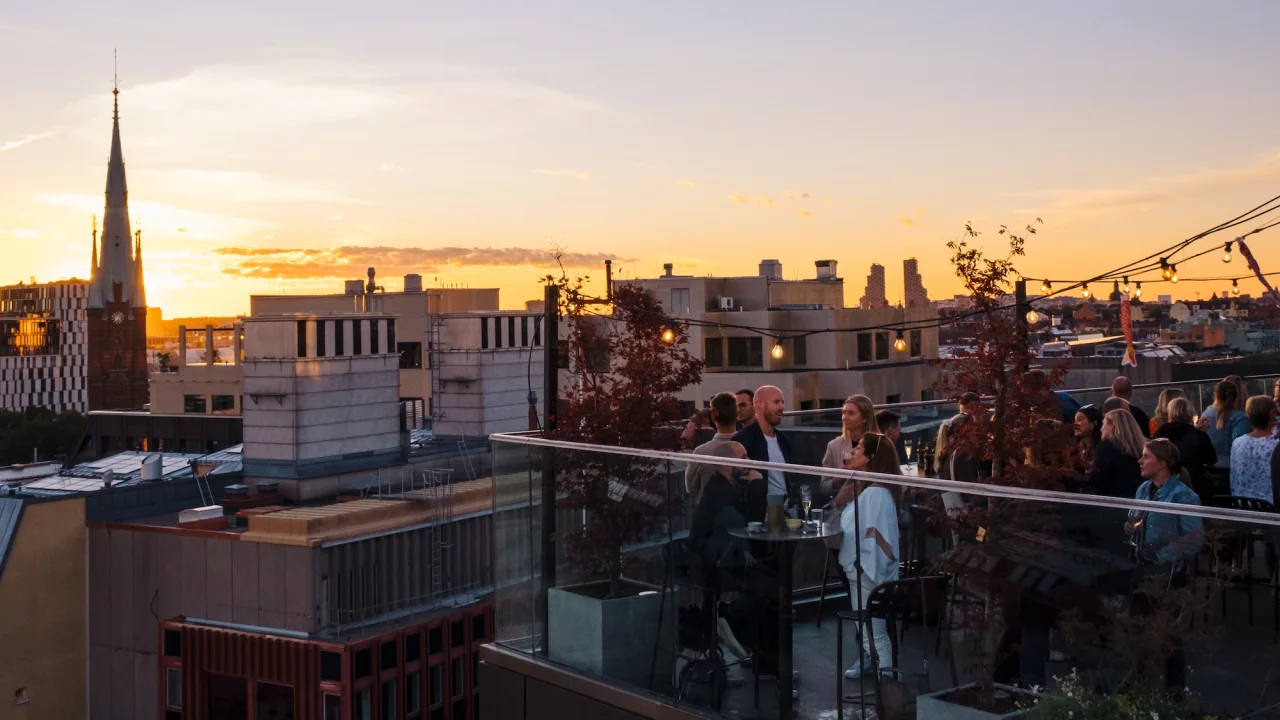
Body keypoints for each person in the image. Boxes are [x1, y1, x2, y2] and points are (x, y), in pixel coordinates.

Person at [1125, 438, 1203, 690]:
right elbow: (1134, 522)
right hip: (1141, 568)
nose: (1140, 460)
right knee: (1137, 630)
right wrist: (1130, 529)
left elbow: (1194, 540)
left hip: (1168, 574)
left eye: (1145, 456)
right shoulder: (1143, 490)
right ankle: (1140, 686)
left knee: (1168, 634)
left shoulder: (1184, 496)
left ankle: (1173, 693)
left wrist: (1161, 555)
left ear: (1161, 463)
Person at [832, 432, 902, 679]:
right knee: (872, 631)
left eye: (859, 448)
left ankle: (890, 687)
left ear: (871, 457)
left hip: (867, 572)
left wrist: (858, 567)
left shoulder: (874, 494)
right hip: (866, 570)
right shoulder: (873, 491)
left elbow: (859, 532)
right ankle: (887, 686)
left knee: (874, 631)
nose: (853, 451)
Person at [732, 385, 791, 519]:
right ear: (759, 405)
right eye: (776, 402)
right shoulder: (742, 440)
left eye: (782, 402)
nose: (781, 407)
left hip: (786, 513)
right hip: (758, 518)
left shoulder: (783, 440)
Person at [686, 392, 753, 500]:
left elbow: (691, 489)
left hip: (710, 513)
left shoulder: (701, 453)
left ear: (713, 415)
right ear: (737, 414)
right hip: (745, 513)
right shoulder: (752, 445)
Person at [1154, 397, 1217, 502]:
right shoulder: (1198, 435)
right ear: (1190, 414)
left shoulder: (1161, 432)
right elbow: (1211, 459)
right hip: (1195, 486)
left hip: (1165, 484)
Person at [820, 394, 878, 497]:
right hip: (843, 507)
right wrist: (840, 479)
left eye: (851, 413)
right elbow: (823, 487)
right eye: (843, 413)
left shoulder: (879, 444)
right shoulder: (834, 446)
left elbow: (898, 481)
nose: (845, 418)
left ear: (865, 418)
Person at [1230, 395, 1280, 503]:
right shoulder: (1276, 445)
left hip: (1243, 506)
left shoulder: (1237, 443)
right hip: (1272, 509)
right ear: (1273, 414)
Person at [1088, 409, 1145, 498]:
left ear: (1112, 425)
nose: (1101, 429)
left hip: (1114, 502)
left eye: (1103, 424)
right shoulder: (1143, 446)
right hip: (1139, 500)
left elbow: (1099, 482)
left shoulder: (1106, 446)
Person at [1199, 380, 1250, 468]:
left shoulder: (1205, 415)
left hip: (1208, 467)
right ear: (1236, 397)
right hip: (1231, 468)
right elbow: (1243, 449)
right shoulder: (1241, 419)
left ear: (1216, 395)